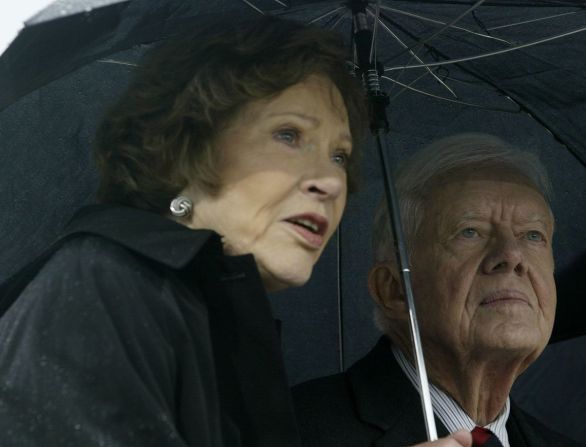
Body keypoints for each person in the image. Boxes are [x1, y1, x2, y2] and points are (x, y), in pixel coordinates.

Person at [0, 15, 472, 447]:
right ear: (183, 143)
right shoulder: (101, 290)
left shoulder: (191, 308)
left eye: (340, 156)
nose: (331, 182)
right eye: (289, 135)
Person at [292, 134, 582, 447]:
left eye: (533, 236)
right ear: (393, 290)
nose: (512, 256)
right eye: (469, 231)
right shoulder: (285, 430)